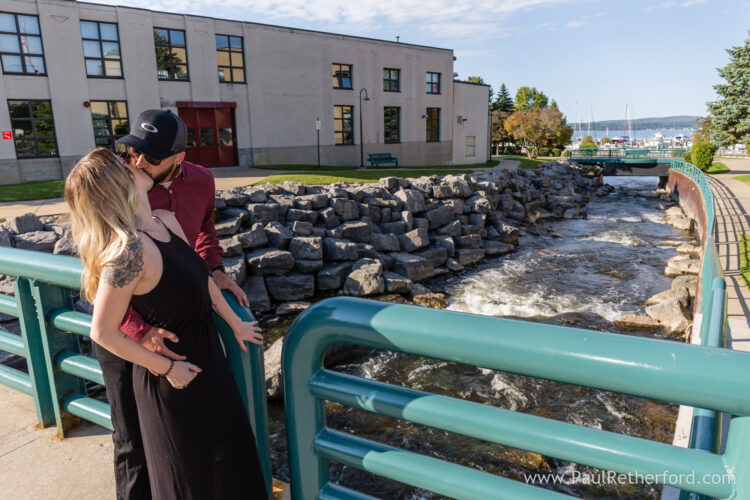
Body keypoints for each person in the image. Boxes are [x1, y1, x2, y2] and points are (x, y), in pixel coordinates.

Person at [65, 148, 268, 499]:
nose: (134, 162)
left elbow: (203, 278)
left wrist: (235, 322)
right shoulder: (128, 251)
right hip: (174, 382)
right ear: (117, 185)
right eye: (123, 163)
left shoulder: (164, 220)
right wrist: (167, 367)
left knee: (233, 464)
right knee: (190, 481)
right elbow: (102, 331)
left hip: (209, 363)